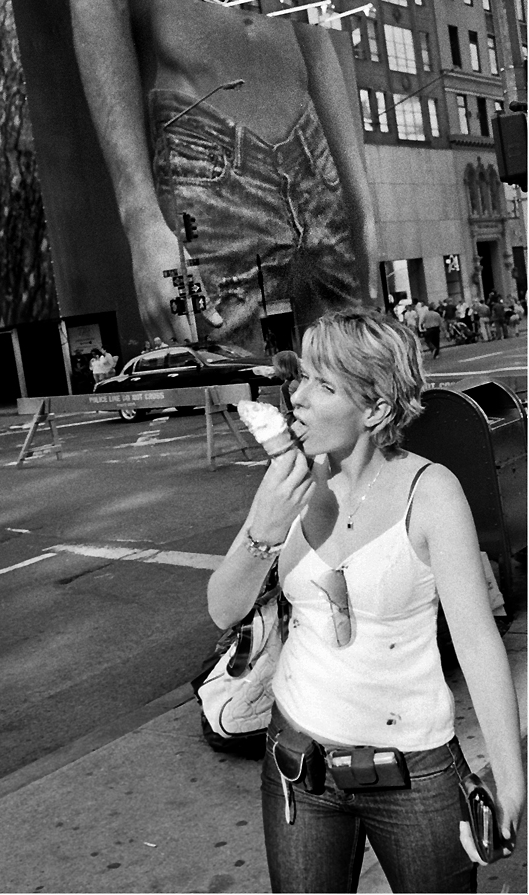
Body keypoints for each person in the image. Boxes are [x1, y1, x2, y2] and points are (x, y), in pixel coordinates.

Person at [207, 310, 524, 893]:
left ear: (375, 409)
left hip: (414, 773)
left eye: (323, 386)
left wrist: (510, 778)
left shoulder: (431, 492)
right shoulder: (289, 485)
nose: (297, 397)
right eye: (302, 377)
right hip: (297, 764)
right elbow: (223, 610)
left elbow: (478, 644)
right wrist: (264, 529)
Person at [66, 0, 378, 351]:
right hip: (206, 162)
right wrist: (142, 222)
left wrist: (362, 210)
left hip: (315, 155)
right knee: (234, 372)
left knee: (350, 367)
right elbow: (97, 2)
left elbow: (316, 39)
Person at [272, 350, 303, 428]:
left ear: (281, 368)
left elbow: (290, 412)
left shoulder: (286, 387)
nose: (274, 369)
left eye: (275, 366)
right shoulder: (302, 381)